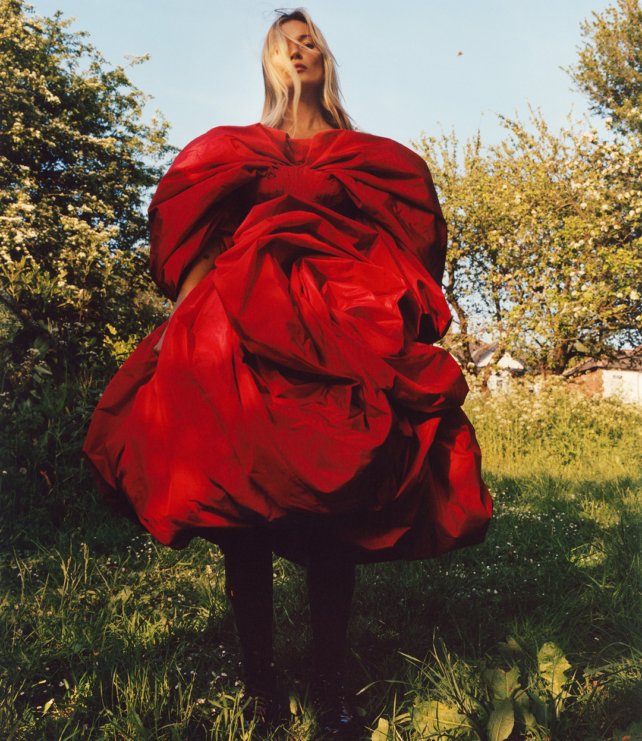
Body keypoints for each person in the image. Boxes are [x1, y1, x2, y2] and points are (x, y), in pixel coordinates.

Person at [82, 7, 493, 737]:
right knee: (241, 513)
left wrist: (388, 326)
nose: (299, 52)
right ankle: (260, 691)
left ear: (326, 61)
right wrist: (184, 327)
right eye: (285, 45)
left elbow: (400, 244)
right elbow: (199, 241)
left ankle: (331, 691)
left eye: (310, 44)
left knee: (334, 506)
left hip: (332, 337)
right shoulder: (236, 151)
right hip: (243, 337)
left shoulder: (362, 158)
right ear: (269, 64)